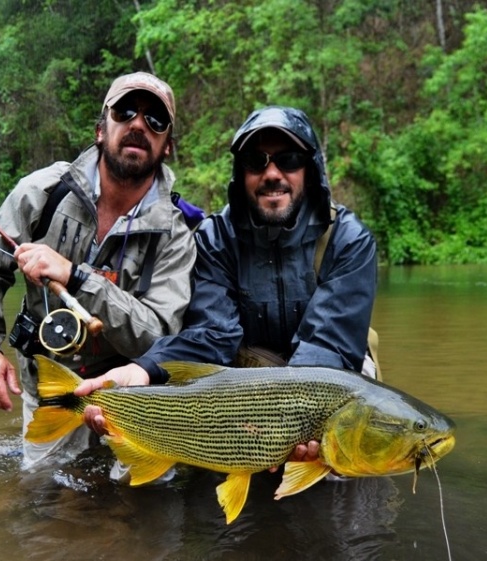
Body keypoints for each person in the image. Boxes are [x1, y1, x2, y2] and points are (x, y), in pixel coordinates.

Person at [78, 105, 378, 465]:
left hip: (329, 380)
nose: (272, 173)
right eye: (256, 161)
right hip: (243, 386)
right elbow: (212, 336)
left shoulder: (348, 239)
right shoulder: (215, 238)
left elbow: (328, 344)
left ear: (309, 170)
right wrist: (144, 369)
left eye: (289, 159)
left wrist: (291, 425)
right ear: (241, 173)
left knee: (343, 478)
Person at [0, 72, 197, 470]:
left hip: (134, 395)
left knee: (143, 506)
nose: (138, 124)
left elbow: (157, 335)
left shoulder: (177, 234)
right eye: (125, 112)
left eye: (155, 120)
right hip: (51, 382)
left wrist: (78, 276)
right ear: (101, 130)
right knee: (44, 499)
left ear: (167, 145)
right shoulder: (43, 192)